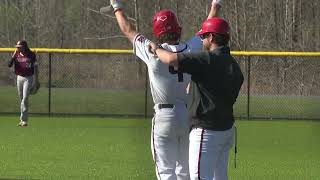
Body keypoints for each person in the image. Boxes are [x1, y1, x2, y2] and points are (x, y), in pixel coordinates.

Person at [108, 0, 221, 179]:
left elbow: (127, 29)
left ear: (157, 32)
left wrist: (116, 6)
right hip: (188, 116)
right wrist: (215, 5)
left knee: (166, 172)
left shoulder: (153, 51)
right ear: (178, 28)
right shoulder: (191, 48)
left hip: (164, 117)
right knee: (185, 172)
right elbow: (207, 27)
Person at [151, 18, 244, 180]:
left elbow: (172, 60)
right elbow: (214, 89)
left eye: (204, 36)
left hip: (206, 132)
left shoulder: (206, 59)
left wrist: (157, 49)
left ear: (212, 38)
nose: (201, 40)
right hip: (227, 130)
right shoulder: (234, 66)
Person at [8, 40, 39, 127]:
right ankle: (22, 120)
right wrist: (13, 56)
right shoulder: (16, 55)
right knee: (22, 99)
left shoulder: (31, 55)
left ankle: (24, 120)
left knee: (25, 98)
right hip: (19, 78)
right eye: (17, 47)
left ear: (24, 46)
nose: (17, 48)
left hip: (28, 78)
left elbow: (36, 67)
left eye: (19, 47)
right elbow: (9, 65)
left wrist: (36, 80)